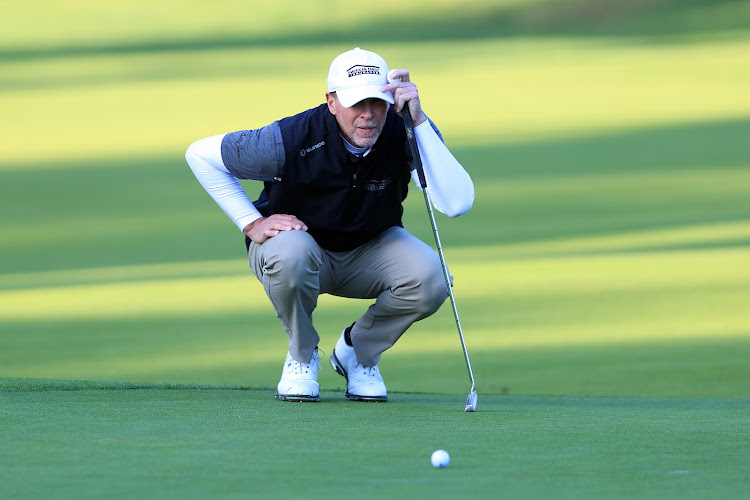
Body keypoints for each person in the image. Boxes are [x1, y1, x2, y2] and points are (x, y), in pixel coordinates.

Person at [185, 47, 474, 403]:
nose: (368, 116)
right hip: (298, 248)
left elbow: (456, 203)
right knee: (290, 254)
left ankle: (357, 353)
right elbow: (199, 154)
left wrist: (418, 120)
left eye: (377, 103)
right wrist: (251, 223)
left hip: (371, 247)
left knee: (433, 277)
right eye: (356, 104)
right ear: (332, 101)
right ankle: (302, 356)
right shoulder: (289, 139)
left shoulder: (406, 131)